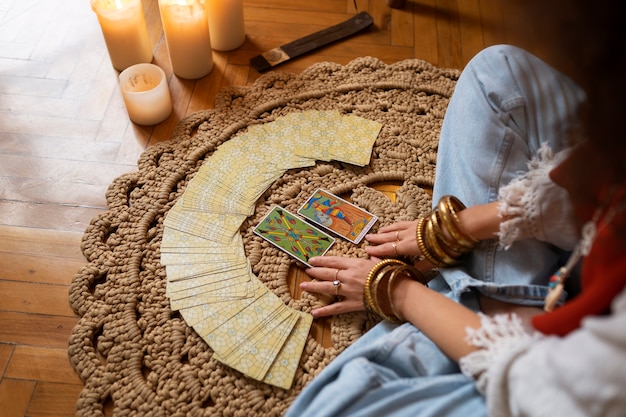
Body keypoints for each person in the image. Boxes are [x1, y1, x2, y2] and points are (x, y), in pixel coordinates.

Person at [284, 2, 626, 416]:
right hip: (593, 271)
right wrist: (460, 227)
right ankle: (490, 299)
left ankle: (483, 304)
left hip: (570, 378)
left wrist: (396, 290)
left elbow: (534, 386)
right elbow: (602, 177)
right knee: (499, 73)